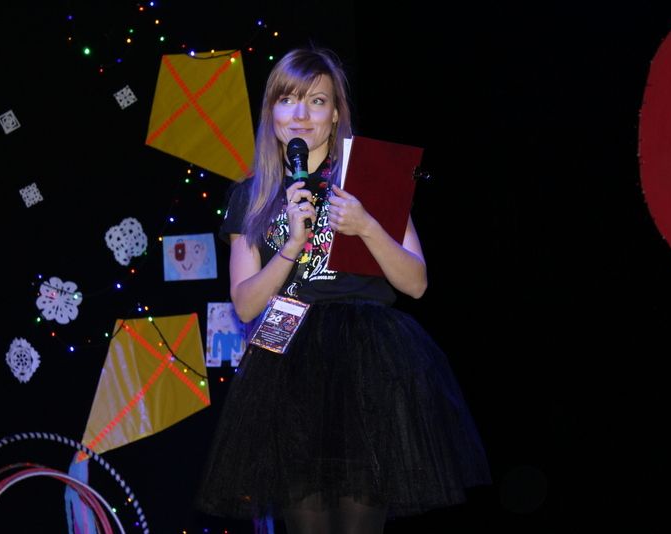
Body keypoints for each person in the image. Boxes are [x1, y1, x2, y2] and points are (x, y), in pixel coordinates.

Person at [196, 47, 491, 534]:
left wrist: (366, 224)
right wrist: (291, 245)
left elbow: (416, 283)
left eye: (316, 101)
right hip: (289, 363)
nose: (301, 114)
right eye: (288, 100)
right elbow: (245, 304)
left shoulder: (369, 181)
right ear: (271, 111)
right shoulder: (252, 195)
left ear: (335, 114)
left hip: (365, 361)